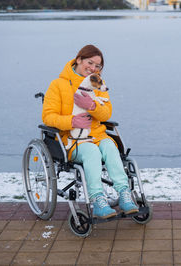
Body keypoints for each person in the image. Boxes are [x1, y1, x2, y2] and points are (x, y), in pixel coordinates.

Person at [42, 44, 139, 219]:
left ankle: (124, 194)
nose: (93, 68)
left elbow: (107, 113)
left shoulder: (97, 83)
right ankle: (98, 200)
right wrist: (71, 121)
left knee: (111, 147)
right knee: (92, 152)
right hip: (73, 140)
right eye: (90, 62)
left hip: (98, 135)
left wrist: (92, 106)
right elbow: (48, 117)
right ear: (79, 59)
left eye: (98, 66)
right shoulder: (58, 85)